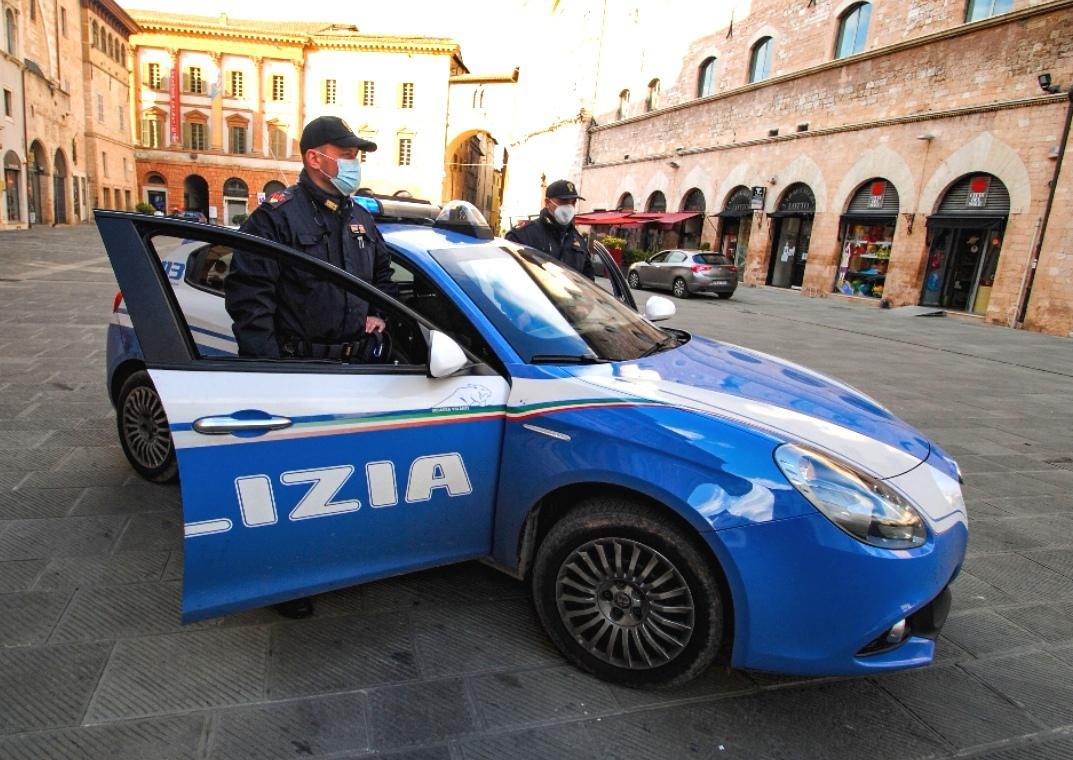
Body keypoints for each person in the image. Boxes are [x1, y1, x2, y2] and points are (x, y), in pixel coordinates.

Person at [224, 115, 396, 618]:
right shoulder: (276, 217)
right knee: (292, 483)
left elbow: (382, 275)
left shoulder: (359, 216)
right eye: (345, 154)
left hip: (353, 371)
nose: (354, 163)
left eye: (357, 155)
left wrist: (376, 314)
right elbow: (249, 297)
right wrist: (269, 372)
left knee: (337, 479)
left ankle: (330, 562)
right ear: (314, 158)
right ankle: (286, 582)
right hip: (298, 369)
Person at [505, 179, 595, 279]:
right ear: (548, 202)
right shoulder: (523, 235)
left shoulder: (578, 241)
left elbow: (588, 283)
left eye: (573, 203)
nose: (569, 207)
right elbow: (508, 278)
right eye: (563, 201)